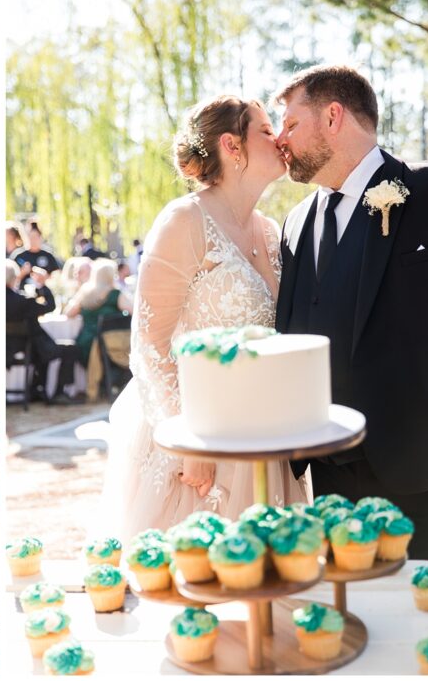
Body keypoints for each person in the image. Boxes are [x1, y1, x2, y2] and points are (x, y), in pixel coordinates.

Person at [274, 64, 428, 559]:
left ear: (333, 117)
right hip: (333, 474)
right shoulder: (294, 224)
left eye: (291, 124)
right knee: (354, 625)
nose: (279, 138)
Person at [102, 96, 307, 543]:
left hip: (265, 439)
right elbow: (150, 342)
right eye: (267, 130)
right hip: (199, 436)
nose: (281, 139)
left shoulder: (272, 231)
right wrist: (186, 441)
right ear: (233, 146)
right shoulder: (184, 221)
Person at [5, 260, 81, 404]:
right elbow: (50, 306)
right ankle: (59, 392)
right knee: (70, 349)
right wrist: (43, 284)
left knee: (44, 352)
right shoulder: (22, 301)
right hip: (32, 347)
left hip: (10, 348)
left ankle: (37, 389)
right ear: (14, 278)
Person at [64, 259, 132, 364]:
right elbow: (134, 311)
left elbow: (69, 313)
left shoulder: (85, 292)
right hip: (110, 346)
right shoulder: (115, 294)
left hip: (86, 343)